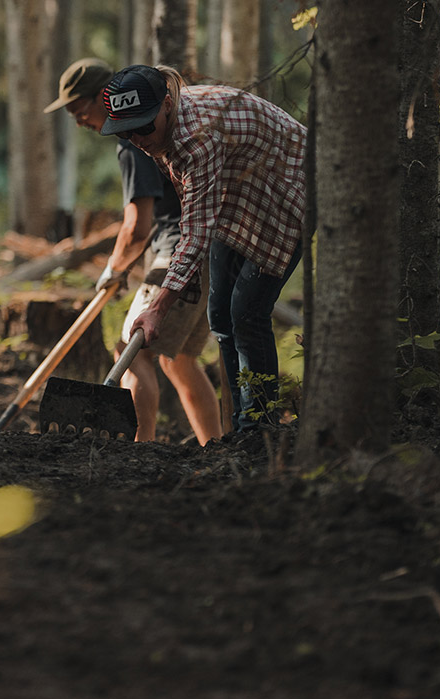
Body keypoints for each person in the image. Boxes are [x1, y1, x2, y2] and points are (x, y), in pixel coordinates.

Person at [99, 64, 306, 435]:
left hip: (287, 192)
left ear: (165, 105)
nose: (139, 139)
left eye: (144, 127)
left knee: (247, 313)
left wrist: (157, 308)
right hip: (239, 199)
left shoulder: (196, 137)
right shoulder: (160, 131)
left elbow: (194, 232)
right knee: (221, 316)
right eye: (127, 132)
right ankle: (240, 425)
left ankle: (259, 428)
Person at [45, 59, 223, 444]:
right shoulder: (155, 121)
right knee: (178, 362)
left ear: (101, 97)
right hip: (209, 251)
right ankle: (216, 446)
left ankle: (137, 452)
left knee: (132, 348)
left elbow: (137, 225)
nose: (79, 122)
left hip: (178, 251)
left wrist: (114, 268)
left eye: (80, 111)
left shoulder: (130, 140)